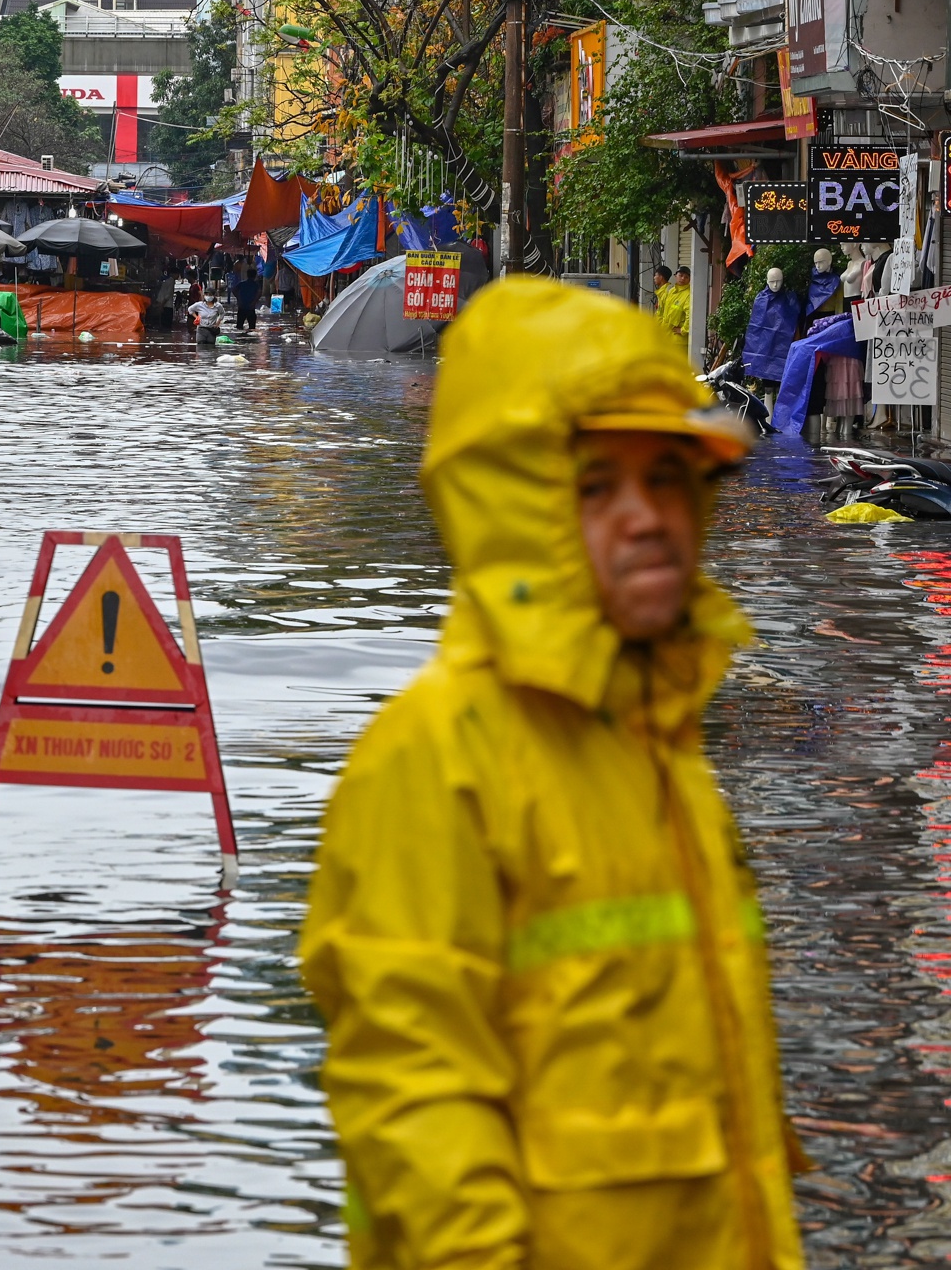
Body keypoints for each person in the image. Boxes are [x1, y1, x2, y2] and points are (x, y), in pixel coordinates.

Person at [300, 278, 805, 1270]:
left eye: (668, 478)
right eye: (596, 487)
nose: (649, 518)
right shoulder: (435, 764)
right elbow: (423, 1122)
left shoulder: (658, 746)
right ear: (516, 509)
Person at [657, 266, 691, 342]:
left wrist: (683, 330)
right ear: (675, 276)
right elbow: (660, 310)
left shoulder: (688, 295)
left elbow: (690, 315)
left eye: (686, 277)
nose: (683, 278)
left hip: (678, 341)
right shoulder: (670, 291)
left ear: (689, 280)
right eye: (681, 275)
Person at [232, 267, 262, 332]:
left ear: (247, 275)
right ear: (255, 275)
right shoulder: (256, 285)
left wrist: (238, 298)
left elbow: (234, 290)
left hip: (241, 307)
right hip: (251, 308)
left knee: (239, 327)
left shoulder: (242, 283)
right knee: (252, 328)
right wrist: (254, 302)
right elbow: (259, 293)